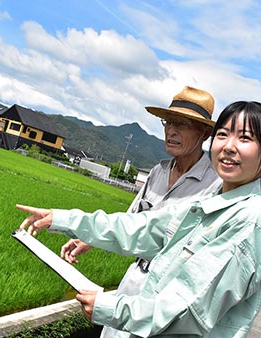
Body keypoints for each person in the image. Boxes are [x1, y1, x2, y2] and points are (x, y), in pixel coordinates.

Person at [17, 100, 261, 337]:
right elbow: (143, 226)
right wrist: (64, 219)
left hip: (148, 315)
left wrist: (111, 307)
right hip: (139, 300)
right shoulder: (209, 200)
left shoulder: (247, 222)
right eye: (223, 135)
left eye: (245, 138)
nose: (229, 147)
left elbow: (189, 309)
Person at [60, 86, 222, 337]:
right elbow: (130, 221)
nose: (171, 131)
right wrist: (89, 238)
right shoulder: (157, 172)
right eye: (168, 122)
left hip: (164, 297)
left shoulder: (214, 187)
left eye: (182, 124)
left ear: (205, 133)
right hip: (132, 282)